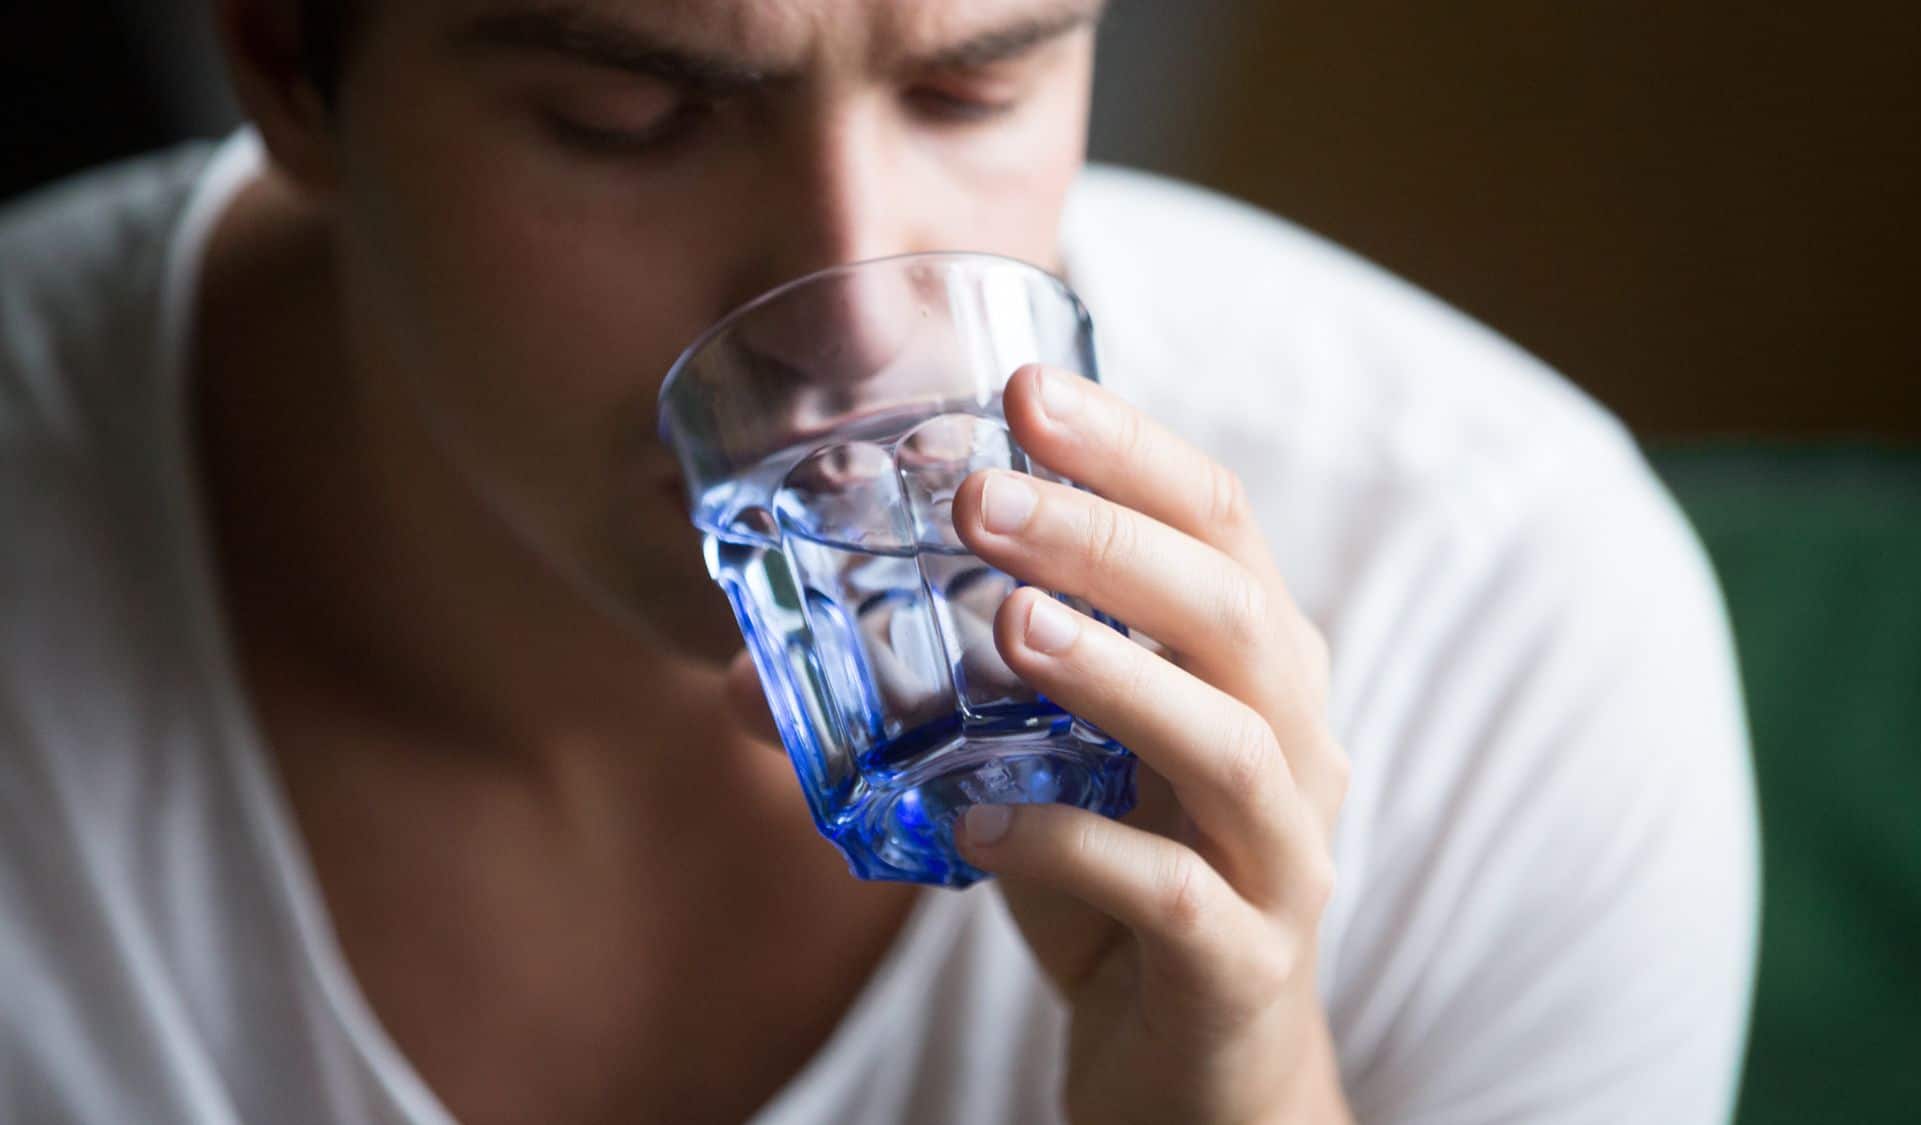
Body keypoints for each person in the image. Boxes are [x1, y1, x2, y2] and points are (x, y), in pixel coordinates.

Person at [0, 1, 1760, 1122]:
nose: (856, 312)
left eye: (976, 83)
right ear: (287, 62)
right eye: (632, 119)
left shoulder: (1500, 621)